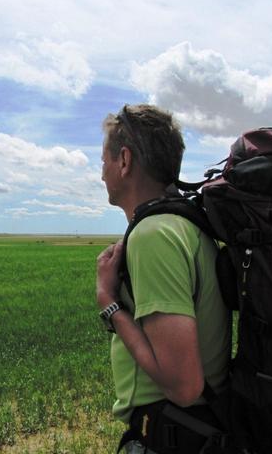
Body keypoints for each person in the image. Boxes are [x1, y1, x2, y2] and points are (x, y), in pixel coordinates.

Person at [96, 104, 231, 453]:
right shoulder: (186, 224)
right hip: (197, 429)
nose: (102, 173)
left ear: (124, 160)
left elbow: (184, 386)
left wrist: (109, 304)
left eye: (103, 161)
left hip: (174, 434)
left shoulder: (154, 235)